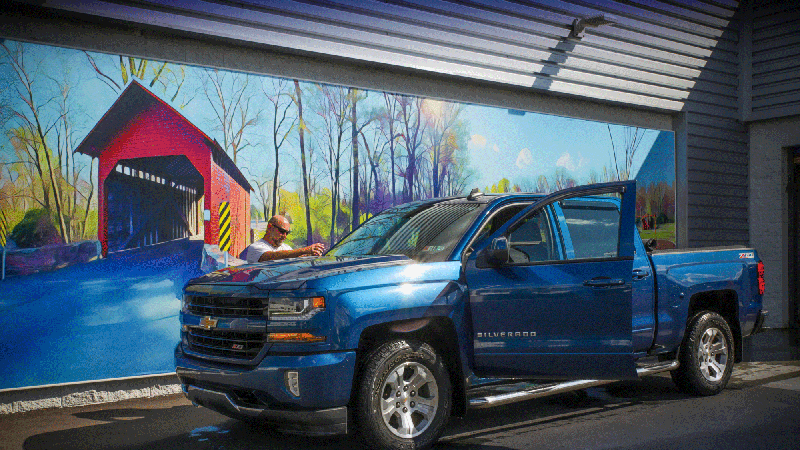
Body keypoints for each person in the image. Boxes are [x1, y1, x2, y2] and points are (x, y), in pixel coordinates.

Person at [245, 215, 325, 263]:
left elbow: (295, 258)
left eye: (287, 233)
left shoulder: (286, 247)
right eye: (282, 231)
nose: (285, 236)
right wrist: (305, 250)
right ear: (269, 227)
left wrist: (310, 255)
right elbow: (270, 257)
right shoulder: (255, 247)